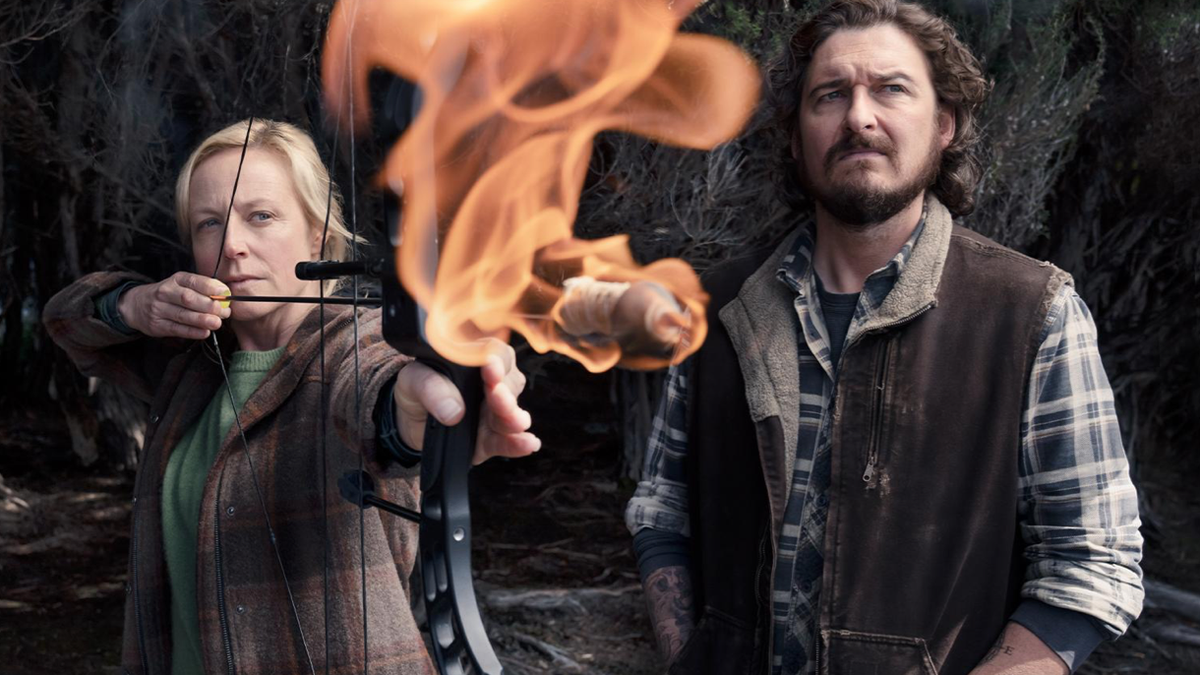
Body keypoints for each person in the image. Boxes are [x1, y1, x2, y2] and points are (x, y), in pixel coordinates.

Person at [624, 2, 1144, 674]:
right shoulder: (716, 308)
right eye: (830, 95)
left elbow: (1092, 565)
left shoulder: (1032, 315)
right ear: (795, 136)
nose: (859, 117)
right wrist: (690, 657)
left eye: (891, 89)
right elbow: (662, 512)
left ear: (945, 125)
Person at [44, 119, 541, 675]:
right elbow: (66, 320)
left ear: (320, 233)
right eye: (209, 223)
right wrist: (133, 305)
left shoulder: (359, 339)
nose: (232, 245)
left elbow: (377, 384)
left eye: (262, 216)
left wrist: (410, 416)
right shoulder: (189, 362)